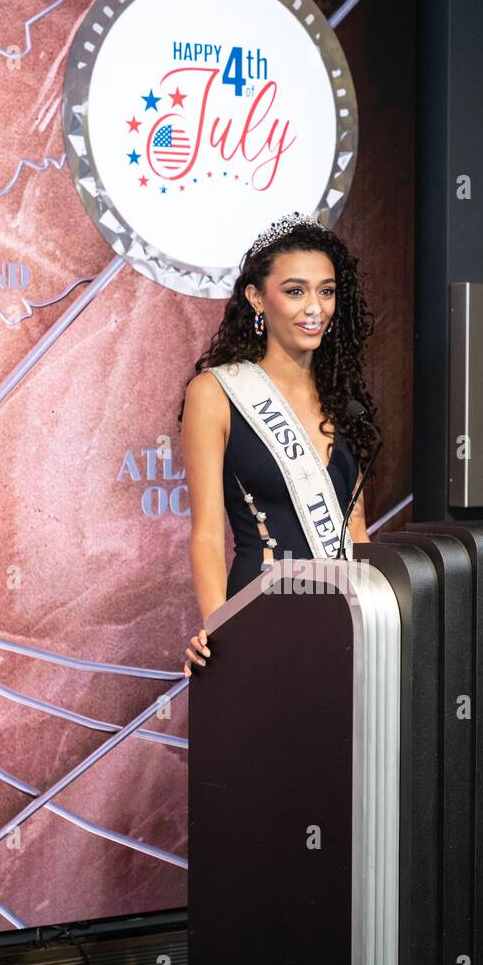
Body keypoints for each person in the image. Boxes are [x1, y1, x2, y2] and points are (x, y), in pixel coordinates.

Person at [178, 212, 380, 677]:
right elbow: (207, 533)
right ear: (256, 298)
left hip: (345, 618)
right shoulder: (215, 393)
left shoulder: (343, 399)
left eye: (325, 291)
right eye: (295, 291)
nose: (315, 308)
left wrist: (379, 618)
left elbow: (357, 531)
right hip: (262, 612)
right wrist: (220, 628)